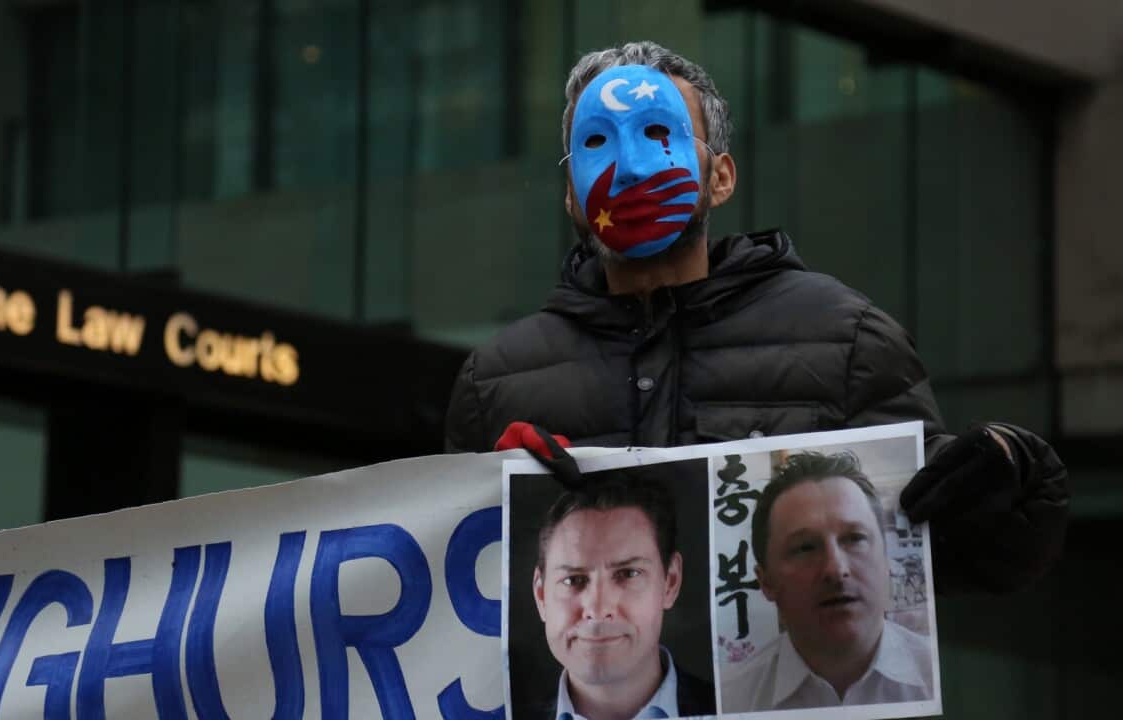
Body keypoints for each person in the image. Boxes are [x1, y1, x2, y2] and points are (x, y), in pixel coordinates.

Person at [445, 40, 1068, 594]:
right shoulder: (497, 384)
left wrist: (1013, 476)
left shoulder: (845, 343)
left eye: (660, 135)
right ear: (572, 196)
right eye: (597, 142)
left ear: (721, 176)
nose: (631, 168)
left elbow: (958, 557)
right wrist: (503, 504)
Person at [720, 452, 933, 712]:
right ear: (766, 582)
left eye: (854, 538)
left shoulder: (937, 673)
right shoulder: (730, 700)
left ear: (886, 559)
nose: (836, 569)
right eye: (805, 548)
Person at [532, 475, 715, 718]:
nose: (597, 610)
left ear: (670, 582)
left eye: (628, 574)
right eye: (573, 580)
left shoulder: (742, 707)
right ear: (541, 595)